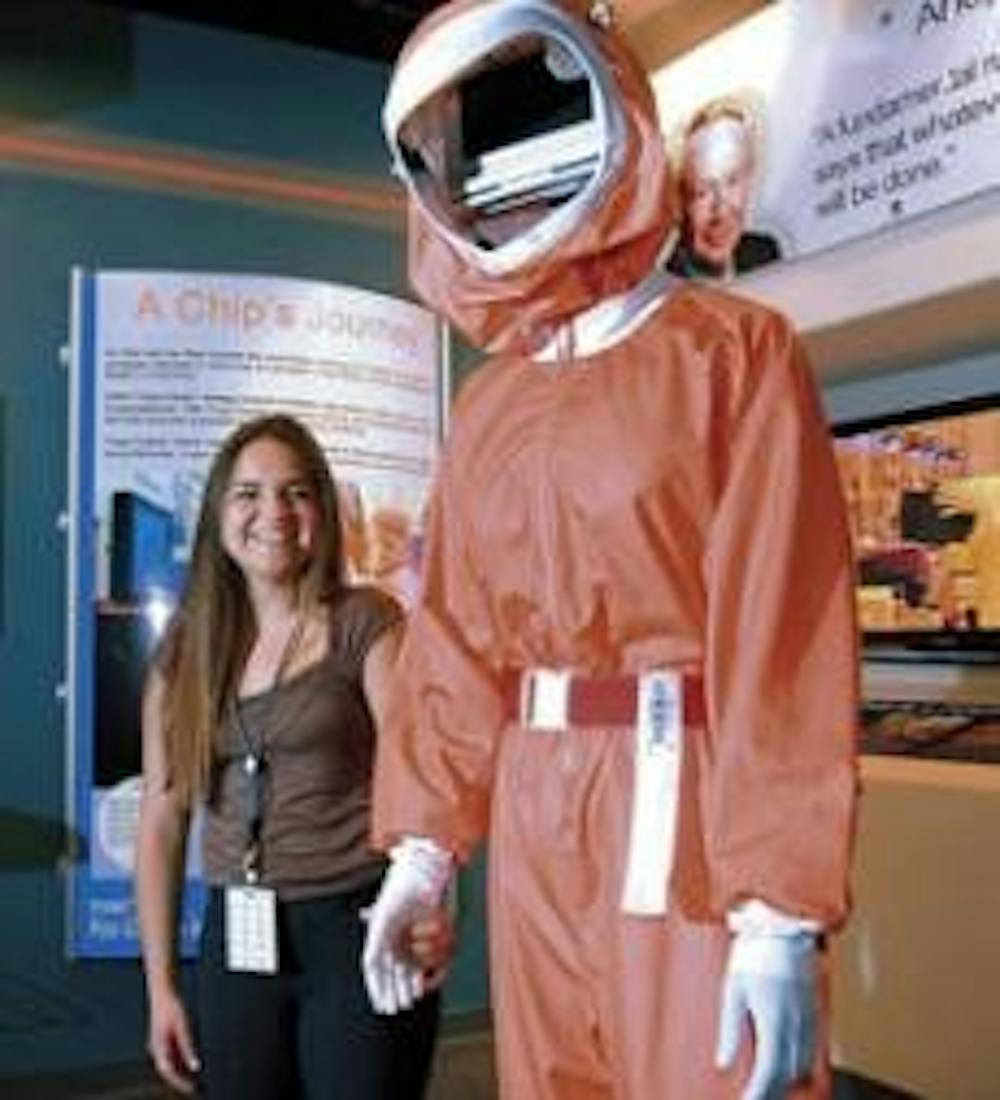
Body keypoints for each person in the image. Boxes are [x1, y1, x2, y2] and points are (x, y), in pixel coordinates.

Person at [361, 1, 858, 1098]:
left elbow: (783, 636)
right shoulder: (490, 404)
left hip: (684, 790)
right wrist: (422, 850)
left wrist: (776, 910)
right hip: (539, 803)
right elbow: (452, 638)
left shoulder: (732, 354)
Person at [135, 413, 449, 1099]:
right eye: (248, 493)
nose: (272, 512)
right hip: (237, 940)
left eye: (297, 492)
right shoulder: (185, 651)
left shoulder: (366, 621)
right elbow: (161, 823)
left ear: (322, 512)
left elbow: (420, 777)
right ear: (219, 512)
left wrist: (433, 904)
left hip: (356, 930)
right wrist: (161, 988)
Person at [666, 95, 782, 280]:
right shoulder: (666, 289)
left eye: (732, 181)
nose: (721, 210)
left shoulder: (765, 253)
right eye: (701, 192)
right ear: (678, 204)